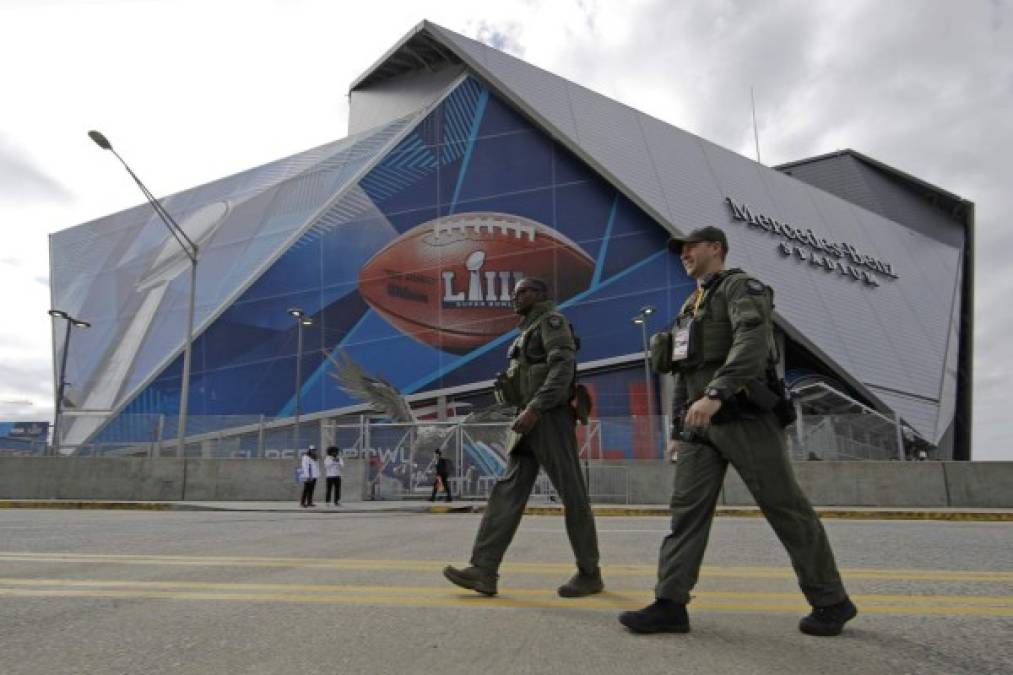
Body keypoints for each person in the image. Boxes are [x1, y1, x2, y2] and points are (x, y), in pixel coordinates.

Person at [618, 226, 857, 637]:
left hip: (743, 417)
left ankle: (832, 600)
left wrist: (717, 392)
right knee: (685, 516)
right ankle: (670, 603)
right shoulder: (689, 307)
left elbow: (751, 342)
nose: (684, 255)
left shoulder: (740, 288)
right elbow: (683, 371)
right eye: (680, 251)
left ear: (716, 248)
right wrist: (678, 427)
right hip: (700, 428)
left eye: (691, 247)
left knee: (785, 508)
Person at [443, 277, 603, 598]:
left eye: (522, 292)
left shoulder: (552, 323)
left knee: (572, 494)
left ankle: (590, 573)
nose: (515, 297)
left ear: (540, 294)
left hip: (549, 418)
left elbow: (562, 370)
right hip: (527, 420)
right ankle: (484, 570)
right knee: (507, 493)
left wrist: (535, 408)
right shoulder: (526, 332)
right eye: (514, 292)